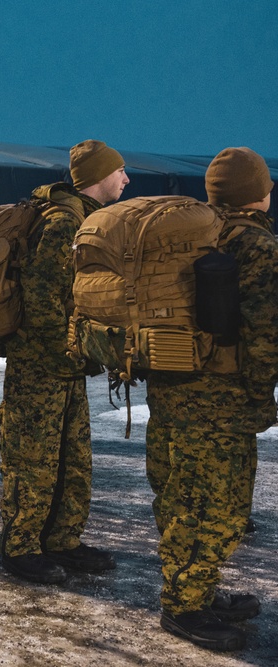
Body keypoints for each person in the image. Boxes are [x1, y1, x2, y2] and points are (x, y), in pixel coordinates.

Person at [145, 147, 278, 651]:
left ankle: (197, 590)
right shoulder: (257, 247)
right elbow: (265, 334)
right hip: (221, 402)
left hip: (171, 385)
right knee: (216, 506)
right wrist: (260, 391)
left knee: (179, 495)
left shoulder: (187, 236)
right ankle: (184, 606)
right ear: (260, 194)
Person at [0, 140, 128, 584]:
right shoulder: (62, 224)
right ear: (98, 177)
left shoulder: (85, 221)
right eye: (119, 172)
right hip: (42, 366)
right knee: (33, 458)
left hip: (67, 366)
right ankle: (20, 546)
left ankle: (62, 539)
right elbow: (43, 301)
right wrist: (67, 351)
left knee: (73, 458)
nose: (126, 179)